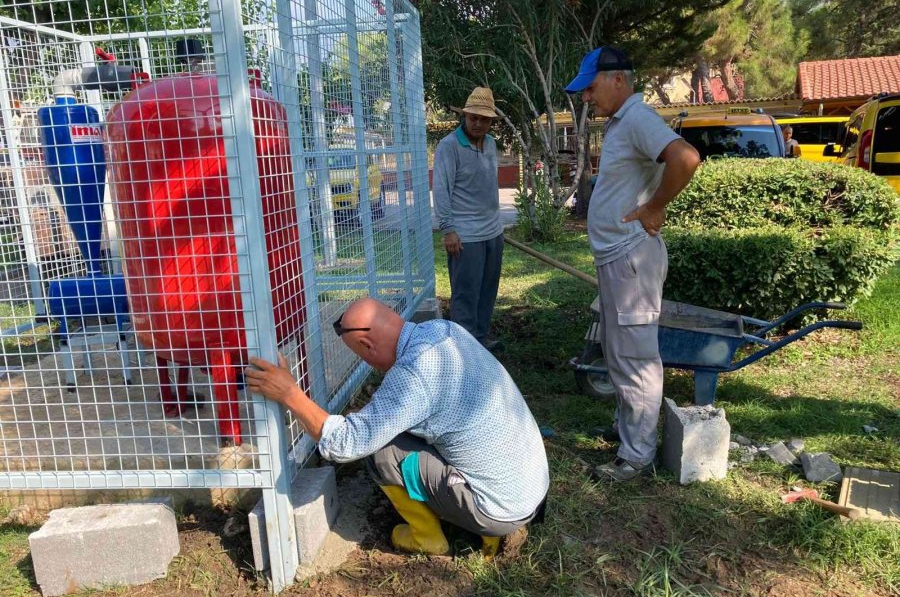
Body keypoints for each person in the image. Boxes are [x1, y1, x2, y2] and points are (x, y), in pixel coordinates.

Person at [246, 298, 549, 556]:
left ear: (367, 344)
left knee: (381, 452)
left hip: (497, 510)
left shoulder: (413, 376)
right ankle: (482, 527)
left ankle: (427, 538)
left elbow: (346, 444)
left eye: (360, 354)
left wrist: (289, 394)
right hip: (530, 488)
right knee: (397, 430)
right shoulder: (444, 330)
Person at [564, 47, 701, 482]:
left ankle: (636, 456)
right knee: (620, 353)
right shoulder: (623, 123)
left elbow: (686, 158)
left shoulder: (638, 118)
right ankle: (630, 433)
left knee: (636, 358)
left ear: (618, 80)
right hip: (618, 258)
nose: (587, 97)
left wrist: (655, 207)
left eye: (591, 87)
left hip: (631, 259)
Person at [432, 87, 504, 350]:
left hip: (493, 233)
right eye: (473, 117)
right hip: (465, 237)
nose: (477, 123)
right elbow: (441, 190)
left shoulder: (491, 144)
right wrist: (448, 230)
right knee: (465, 296)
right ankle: (465, 351)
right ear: (465, 115)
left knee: (487, 292)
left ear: (490, 121)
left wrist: (497, 228)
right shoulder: (449, 146)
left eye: (484, 119)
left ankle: (481, 342)